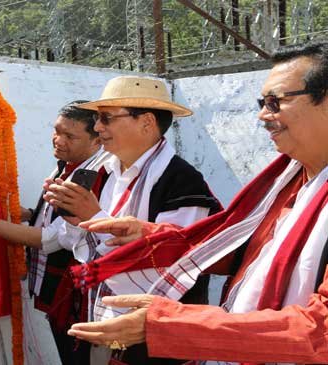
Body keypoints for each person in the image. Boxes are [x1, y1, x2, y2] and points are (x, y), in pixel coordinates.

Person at [67, 42, 328, 364]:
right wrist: (149, 236)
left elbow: (321, 331)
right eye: (263, 102)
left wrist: (168, 325)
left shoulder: (180, 178)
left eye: (275, 102)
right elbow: (244, 253)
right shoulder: (288, 180)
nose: (263, 115)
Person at [43, 75, 221, 364]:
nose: (98, 127)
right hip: (112, 321)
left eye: (106, 118)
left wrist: (94, 216)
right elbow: (86, 246)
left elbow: (175, 263)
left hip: (159, 334)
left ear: (147, 123)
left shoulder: (181, 181)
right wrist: (76, 217)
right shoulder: (108, 172)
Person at [0, 100, 110, 365]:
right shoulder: (68, 165)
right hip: (57, 290)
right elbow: (56, 219)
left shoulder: (92, 177)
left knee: (78, 357)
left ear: (96, 141)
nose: (58, 140)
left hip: (75, 296)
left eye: (70, 136)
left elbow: (51, 240)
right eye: (57, 131)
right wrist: (30, 213)